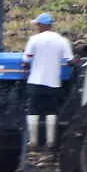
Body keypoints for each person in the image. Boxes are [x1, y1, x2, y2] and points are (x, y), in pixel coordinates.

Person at [21, 12, 72, 149]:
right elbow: (70, 60)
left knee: (33, 110)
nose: (36, 26)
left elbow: (26, 60)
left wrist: (26, 65)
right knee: (51, 111)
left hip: (35, 81)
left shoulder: (34, 39)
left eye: (37, 24)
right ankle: (50, 142)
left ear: (41, 25)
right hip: (53, 83)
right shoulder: (62, 41)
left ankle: (33, 141)